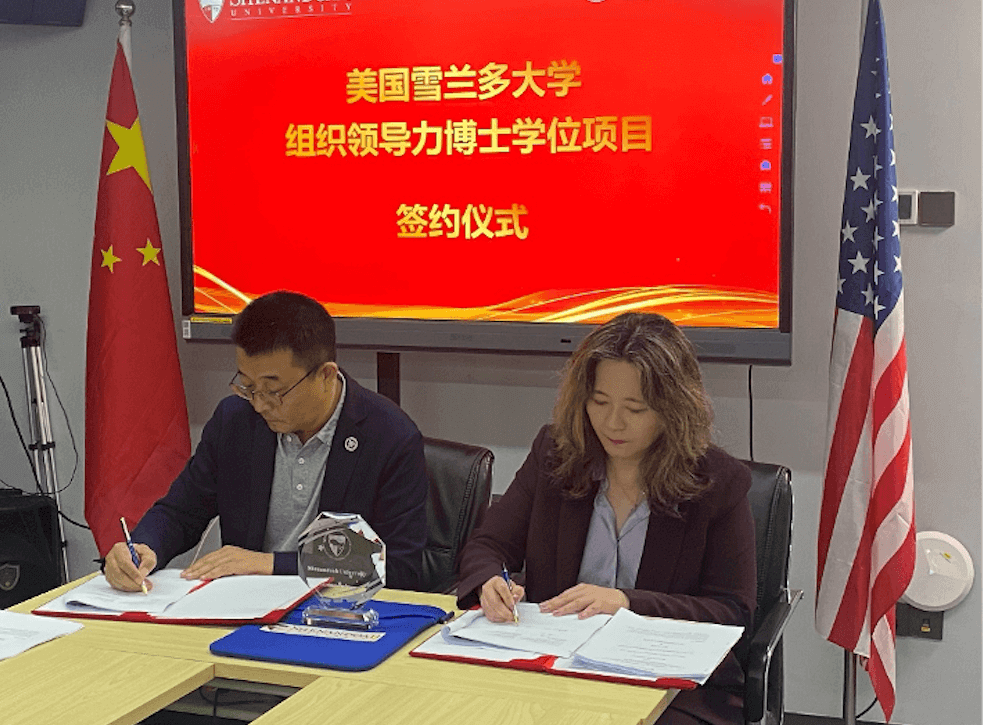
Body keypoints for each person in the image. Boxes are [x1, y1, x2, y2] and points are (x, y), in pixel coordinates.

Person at [457, 312, 756, 725]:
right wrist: (490, 581)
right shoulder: (555, 454)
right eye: (599, 402)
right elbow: (489, 544)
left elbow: (732, 612)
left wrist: (627, 603)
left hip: (670, 688)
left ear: (672, 409)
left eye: (635, 408)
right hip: (556, 670)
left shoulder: (717, 482)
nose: (613, 423)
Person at [103, 290, 429, 593]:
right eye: (248, 386)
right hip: (244, 605)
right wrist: (144, 547)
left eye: (273, 391)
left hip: (336, 611)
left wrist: (270, 564)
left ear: (325, 375)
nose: (259, 404)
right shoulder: (235, 421)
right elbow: (181, 511)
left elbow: (399, 566)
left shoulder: (389, 436)